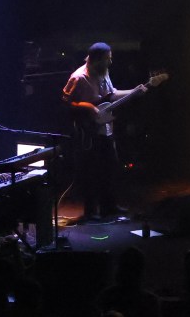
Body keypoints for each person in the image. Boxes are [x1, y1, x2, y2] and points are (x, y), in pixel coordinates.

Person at [62, 42, 150, 222]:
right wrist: (88, 107)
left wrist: (134, 92)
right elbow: (66, 102)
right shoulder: (78, 77)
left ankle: (109, 206)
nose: (110, 62)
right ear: (97, 60)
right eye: (107, 59)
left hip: (106, 128)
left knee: (110, 167)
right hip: (88, 131)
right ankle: (91, 211)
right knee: (91, 171)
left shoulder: (104, 72)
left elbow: (111, 94)